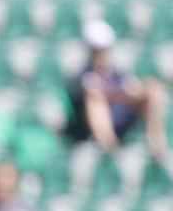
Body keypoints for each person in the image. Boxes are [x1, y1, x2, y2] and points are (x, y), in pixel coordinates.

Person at [70, 20, 169, 158]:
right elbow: (91, 89)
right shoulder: (84, 74)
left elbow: (132, 91)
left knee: (153, 90)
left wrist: (131, 92)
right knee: (95, 96)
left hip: (122, 119)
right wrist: (118, 93)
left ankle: (157, 145)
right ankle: (107, 143)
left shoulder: (117, 74)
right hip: (89, 128)